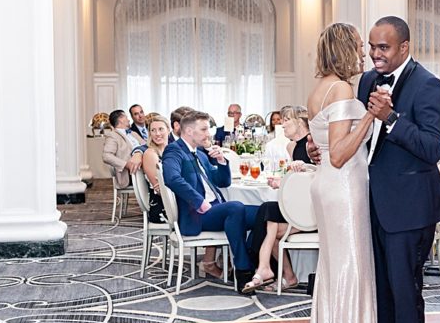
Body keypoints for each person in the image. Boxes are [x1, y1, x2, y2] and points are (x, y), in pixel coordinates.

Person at [358, 15, 440, 323]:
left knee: (406, 293)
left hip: (411, 208)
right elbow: (367, 143)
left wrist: (391, 119)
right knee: (382, 291)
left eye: (384, 48)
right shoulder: (365, 82)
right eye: (373, 47)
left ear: (404, 48)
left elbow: (431, 149)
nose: (376, 54)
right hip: (373, 203)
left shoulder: (430, 86)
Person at [302, 22, 383, 323]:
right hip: (342, 188)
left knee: (335, 276)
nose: (364, 53)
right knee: (351, 273)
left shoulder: (318, 89)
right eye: (357, 45)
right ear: (344, 50)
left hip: (326, 188)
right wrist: (370, 117)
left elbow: (319, 143)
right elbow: (337, 153)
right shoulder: (343, 89)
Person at [161, 110, 257, 292]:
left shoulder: (201, 153)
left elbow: (222, 181)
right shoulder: (174, 150)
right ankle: (244, 272)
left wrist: (221, 160)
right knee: (235, 208)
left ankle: (260, 268)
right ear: (189, 131)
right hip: (196, 215)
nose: (209, 133)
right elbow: (171, 178)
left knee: (265, 212)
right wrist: (199, 202)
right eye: (204, 129)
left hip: (215, 209)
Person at [241, 105, 312, 293]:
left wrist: (303, 169)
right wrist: (283, 181)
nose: (282, 124)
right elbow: (296, 182)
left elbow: (320, 177)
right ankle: (277, 272)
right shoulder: (291, 147)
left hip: (313, 212)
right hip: (297, 209)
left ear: (300, 122)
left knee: (267, 213)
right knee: (269, 223)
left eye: (287, 119)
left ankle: (262, 267)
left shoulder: (312, 144)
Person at [102, 109, 143, 188]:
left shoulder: (133, 133)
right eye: (126, 117)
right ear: (120, 119)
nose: (128, 120)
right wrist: (126, 164)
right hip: (130, 173)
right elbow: (106, 156)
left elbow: (146, 146)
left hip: (143, 165)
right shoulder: (112, 136)